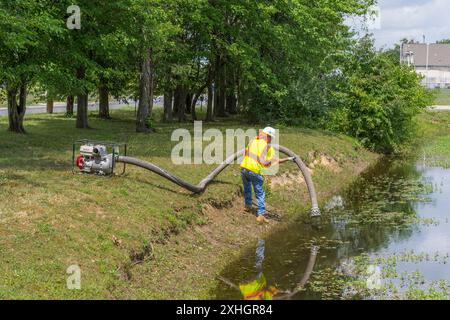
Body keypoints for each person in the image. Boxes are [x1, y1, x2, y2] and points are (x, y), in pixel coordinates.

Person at [240, 127, 293, 223]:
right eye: (271, 137)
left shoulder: (253, 141)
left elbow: (245, 153)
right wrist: (287, 159)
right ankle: (261, 215)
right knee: (260, 192)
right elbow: (272, 162)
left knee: (247, 188)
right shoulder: (268, 147)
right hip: (254, 171)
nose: (271, 140)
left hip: (244, 168)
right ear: (268, 136)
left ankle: (247, 206)